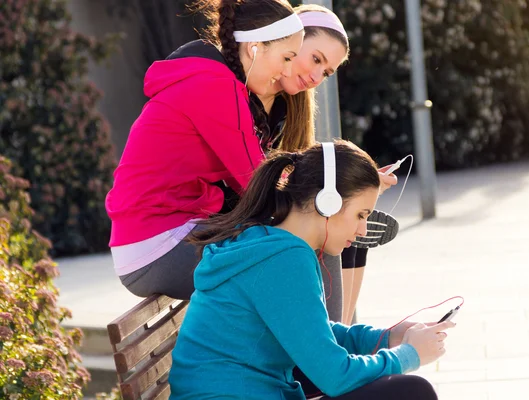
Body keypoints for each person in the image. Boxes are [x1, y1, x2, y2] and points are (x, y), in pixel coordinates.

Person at [169, 141, 454, 399]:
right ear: (327, 201)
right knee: (411, 392)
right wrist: (409, 355)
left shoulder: (266, 243)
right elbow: (335, 376)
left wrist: (387, 337)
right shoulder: (283, 259)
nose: (363, 229)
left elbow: (313, 331)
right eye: (360, 215)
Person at [105, 0, 304, 300]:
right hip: (159, 245)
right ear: (255, 47)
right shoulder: (217, 88)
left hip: (158, 238)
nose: (287, 70)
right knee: (304, 246)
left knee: (304, 239)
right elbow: (258, 183)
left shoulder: (209, 78)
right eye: (287, 58)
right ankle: (329, 345)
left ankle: (326, 342)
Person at [255, 4, 399, 325]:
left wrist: (354, 182)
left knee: (348, 236)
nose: (317, 76)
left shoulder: (289, 107)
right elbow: (257, 180)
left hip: (260, 212)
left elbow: (297, 171)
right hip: (236, 218)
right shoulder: (252, 94)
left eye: (327, 72)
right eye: (316, 59)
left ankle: (340, 339)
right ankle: (334, 350)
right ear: (290, 40)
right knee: (328, 229)